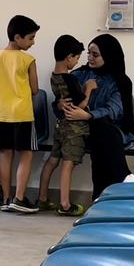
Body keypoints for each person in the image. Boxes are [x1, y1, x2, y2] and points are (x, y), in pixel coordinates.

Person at [58, 33, 134, 201]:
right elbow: (60, 102)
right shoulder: (78, 75)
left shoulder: (120, 81)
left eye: (95, 54)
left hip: (109, 130)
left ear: (109, 56)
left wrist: (88, 115)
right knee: (98, 131)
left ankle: (100, 198)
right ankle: (123, 178)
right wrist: (60, 105)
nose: (89, 58)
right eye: (88, 53)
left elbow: (114, 110)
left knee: (99, 127)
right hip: (77, 130)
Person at [0, 15, 40, 213]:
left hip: (0, 114)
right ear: (18, 37)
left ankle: (6, 198)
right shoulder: (28, 59)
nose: (33, 42)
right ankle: (20, 197)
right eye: (31, 38)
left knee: (5, 155)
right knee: (26, 154)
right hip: (22, 114)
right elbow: (34, 89)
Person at [37, 35, 98, 216]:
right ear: (69, 57)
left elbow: (61, 101)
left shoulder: (54, 76)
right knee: (67, 164)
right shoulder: (70, 79)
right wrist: (89, 89)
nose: (77, 61)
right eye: (77, 58)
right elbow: (79, 106)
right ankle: (65, 204)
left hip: (61, 126)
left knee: (53, 160)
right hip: (74, 128)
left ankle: (42, 198)